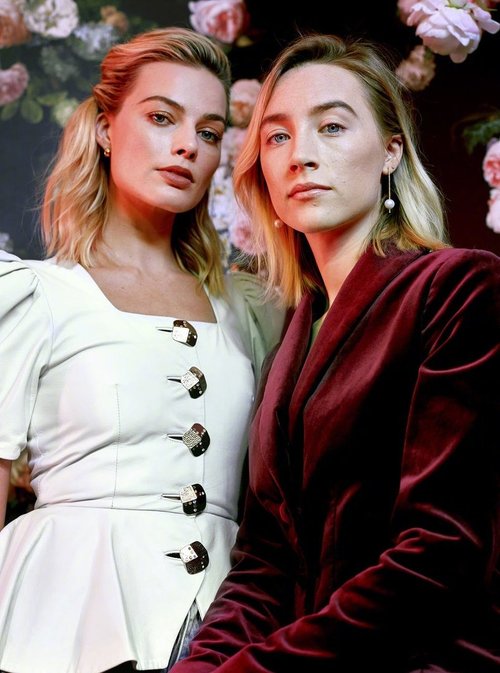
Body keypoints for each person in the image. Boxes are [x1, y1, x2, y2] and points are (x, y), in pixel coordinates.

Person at [169, 32, 500, 673]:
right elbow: (265, 564)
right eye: (278, 136)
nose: (302, 156)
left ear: (390, 151)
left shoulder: (458, 287)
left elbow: (443, 550)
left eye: (332, 127)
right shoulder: (289, 342)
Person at [0, 26, 284, 673]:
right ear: (106, 128)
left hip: (233, 625)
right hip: (64, 622)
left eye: (209, 132)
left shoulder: (249, 310)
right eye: (162, 118)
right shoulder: (32, 296)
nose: (187, 145)